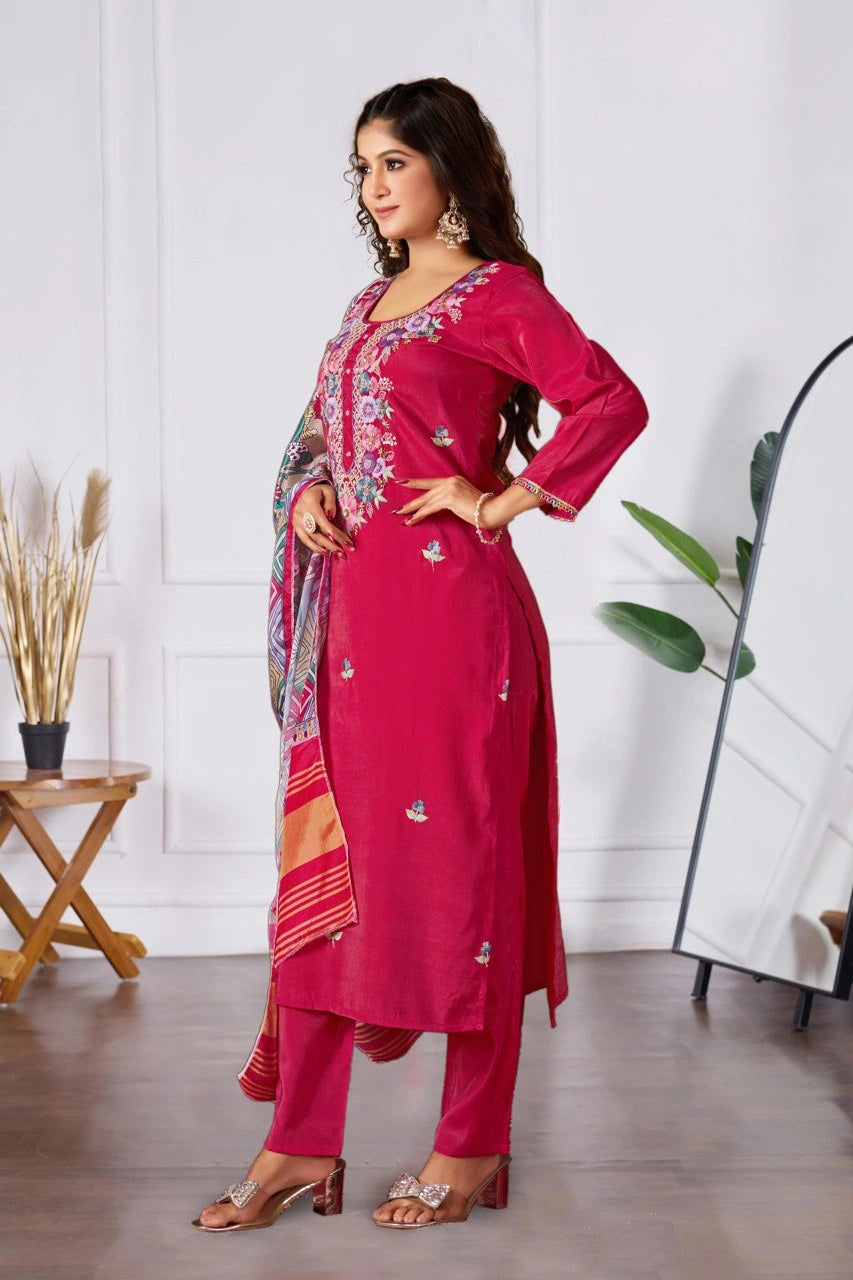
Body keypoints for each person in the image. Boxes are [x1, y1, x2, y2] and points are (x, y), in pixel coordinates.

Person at [193, 75, 648, 1233]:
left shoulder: (500, 295)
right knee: (332, 877)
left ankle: (472, 1144)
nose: (372, 185)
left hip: (456, 633)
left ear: (450, 170)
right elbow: (314, 439)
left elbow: (609, 400)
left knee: (465, 880)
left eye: (392, 161)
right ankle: (299, 1142)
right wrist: (304, 501)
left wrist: (499, 503)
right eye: (361, 166)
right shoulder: (363, 306)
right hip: (350, 629)